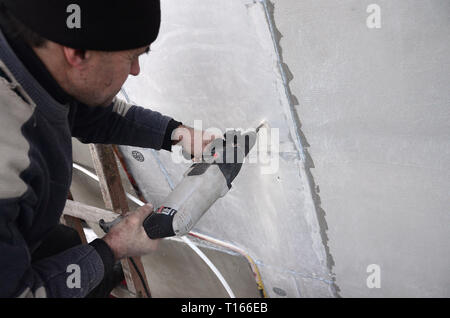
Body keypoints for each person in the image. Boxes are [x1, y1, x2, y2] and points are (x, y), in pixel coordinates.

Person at [0, 0, 213, 297]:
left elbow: (90, 113)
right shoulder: (7, 164)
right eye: (132, 57)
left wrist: (175, 134)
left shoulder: (29, 47)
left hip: (26, 236)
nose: (137, 71)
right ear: (78, 52)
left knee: (65, 244)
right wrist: (114, 247)